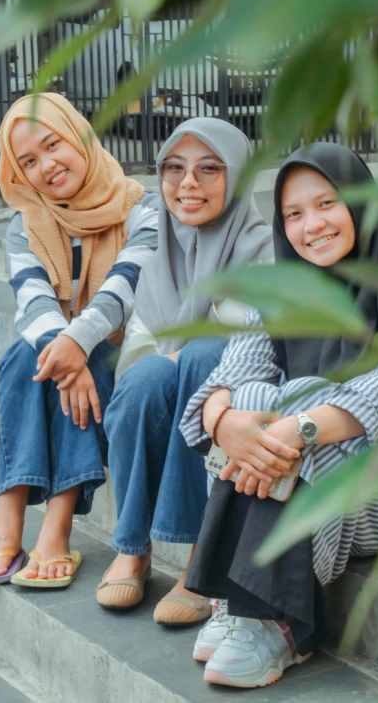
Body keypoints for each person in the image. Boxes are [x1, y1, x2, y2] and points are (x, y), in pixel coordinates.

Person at [179, 142, 378, 688]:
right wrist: (224, 421)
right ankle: (247, 601)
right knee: (250, 402)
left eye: (327, 204)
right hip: (314, 481)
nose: (310, 225)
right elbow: (233, 370)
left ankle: (278, 620)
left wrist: (294, 424)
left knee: (301, 400)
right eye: (293, 214)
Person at [97, 118, 273, 624]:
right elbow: (140, 345)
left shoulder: (260, 246)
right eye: (174, 169)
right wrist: (166, 361)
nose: (187, 184)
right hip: (176, 376)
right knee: (143, 379)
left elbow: (249, 341)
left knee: (200, 356)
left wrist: (185, 352)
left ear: (236, 175)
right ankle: (132, 547)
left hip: (239, 389)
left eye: (208, 169)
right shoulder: (152, 245)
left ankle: (202, 556)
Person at [0, 93, 158, 588]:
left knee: (68, 358)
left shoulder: (141, 207)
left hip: (123, 347)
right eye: (28, 162)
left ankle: (57, 526)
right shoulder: (25, 224)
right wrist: (69, 354)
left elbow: (124, 288)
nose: (46, 166)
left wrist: (76, 347)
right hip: (61, 354)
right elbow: (32, 299)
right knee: (28, 353)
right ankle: (9, 518)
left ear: (80, 134)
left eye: (52, 145)